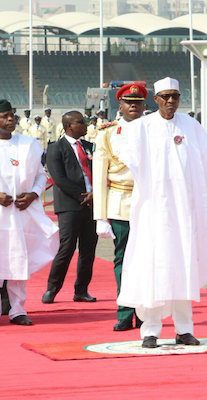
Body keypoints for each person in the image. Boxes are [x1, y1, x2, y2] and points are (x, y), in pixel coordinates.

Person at [116, 77, 207, 348]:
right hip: (154, 212)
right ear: (156, 99)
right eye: (166, 96)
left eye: (175, 96)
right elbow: (128, 158)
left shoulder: (191, 126)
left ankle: (184, 329)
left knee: (184, 265)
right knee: (153, 266)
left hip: (184, 212)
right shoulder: (142, 128)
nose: (171, 101)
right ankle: (150, 330)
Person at [93, 83, 147, 331]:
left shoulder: (154, 130)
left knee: (147, 260)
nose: (133, 106)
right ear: (120, 105)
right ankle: (125, 313)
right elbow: (99, 176)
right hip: (120, 202)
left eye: (137, 102)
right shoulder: (107, 133)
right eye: (129, 102)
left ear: (144, 105)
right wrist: (100, 216)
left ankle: (146, 313)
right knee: (123, 259)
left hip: (148, 204)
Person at [0, 99, 59, 325]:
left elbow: (41, 175)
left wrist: (33, 194)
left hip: (21, 212)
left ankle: (17, 310)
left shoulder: (29, 144)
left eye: (11, 115)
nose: (10, 119)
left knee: (18, 259)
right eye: (4, 116)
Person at [42, 111, 98, 304]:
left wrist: (95, 194)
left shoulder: (90, 146)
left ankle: (81, 290)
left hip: (92, 204)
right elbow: (59, 178)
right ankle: (52, 288)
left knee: (88, 250)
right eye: (80, 122)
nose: (85, 125)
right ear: (68, 127)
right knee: (66, 248)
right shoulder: (56, 148)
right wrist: (83, 195)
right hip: (70, 205)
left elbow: (100, 171)